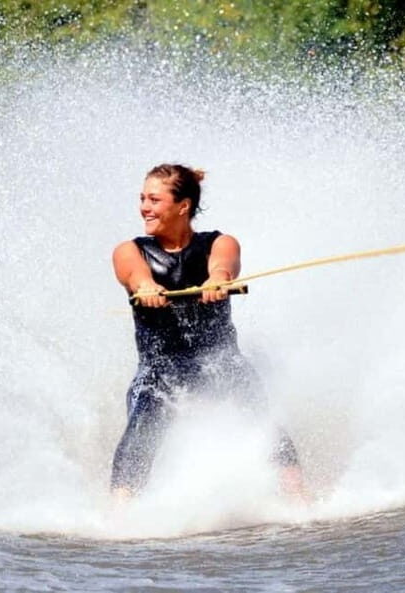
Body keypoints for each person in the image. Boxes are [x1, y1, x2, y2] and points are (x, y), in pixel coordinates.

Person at [110, 163, 307, 500]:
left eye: (154, 200)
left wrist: (217, 281)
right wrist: (146, 288)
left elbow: (223, 265)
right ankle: (120, 518)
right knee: (140, 432)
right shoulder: (130, 250)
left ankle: (300, 502)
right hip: (161, 370)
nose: (144, 207)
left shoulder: (220, 243)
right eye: (142, 198)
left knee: (263, 424)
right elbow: (135, 275)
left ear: (182, 206)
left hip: (221, 364)